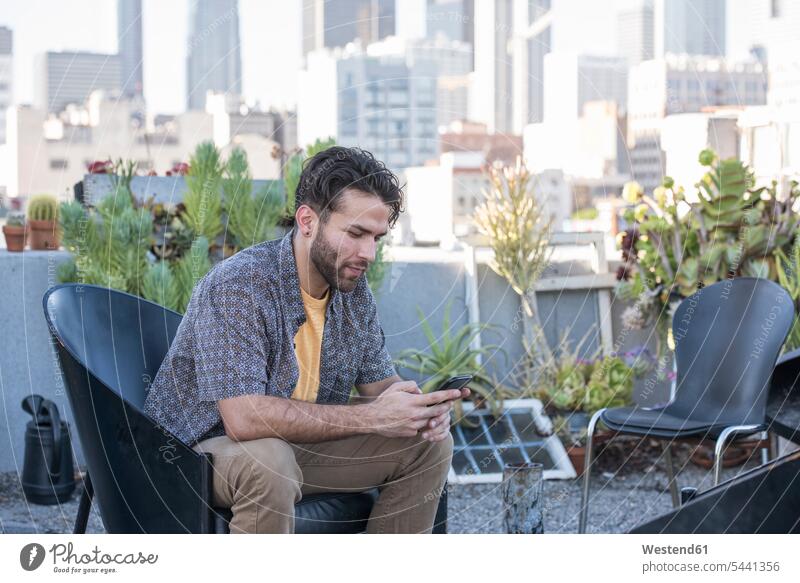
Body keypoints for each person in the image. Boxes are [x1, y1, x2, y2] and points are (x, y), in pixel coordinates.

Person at [143, 146, 469, 533]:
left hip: (288, 445)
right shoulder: (241, 285)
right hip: (193, 454)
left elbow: (380, 387)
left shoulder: (351, 289)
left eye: (377, 238)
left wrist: (417, 410)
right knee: (269, 461)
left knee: (427, 446)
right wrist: (372, 416)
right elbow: (243, 418)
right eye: (356, 233)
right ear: (308, 220)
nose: (368, 253)